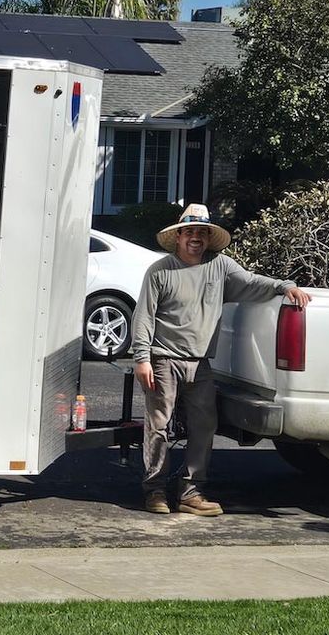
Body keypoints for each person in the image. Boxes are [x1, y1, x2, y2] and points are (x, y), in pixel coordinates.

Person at [131, 204, 311, 516]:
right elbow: (144, 316)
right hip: (163, 359)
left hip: (200, 363)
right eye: (189, 232)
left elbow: (252, 282)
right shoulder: (160, 271)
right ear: (178, 237)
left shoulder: (221, 266)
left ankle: (191, 492)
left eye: (201, 233)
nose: (195, 238)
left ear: (208, 238)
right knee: (158, 426)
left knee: (204, 425)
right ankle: (155, 491)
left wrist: (285, 287)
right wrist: (142, 358)